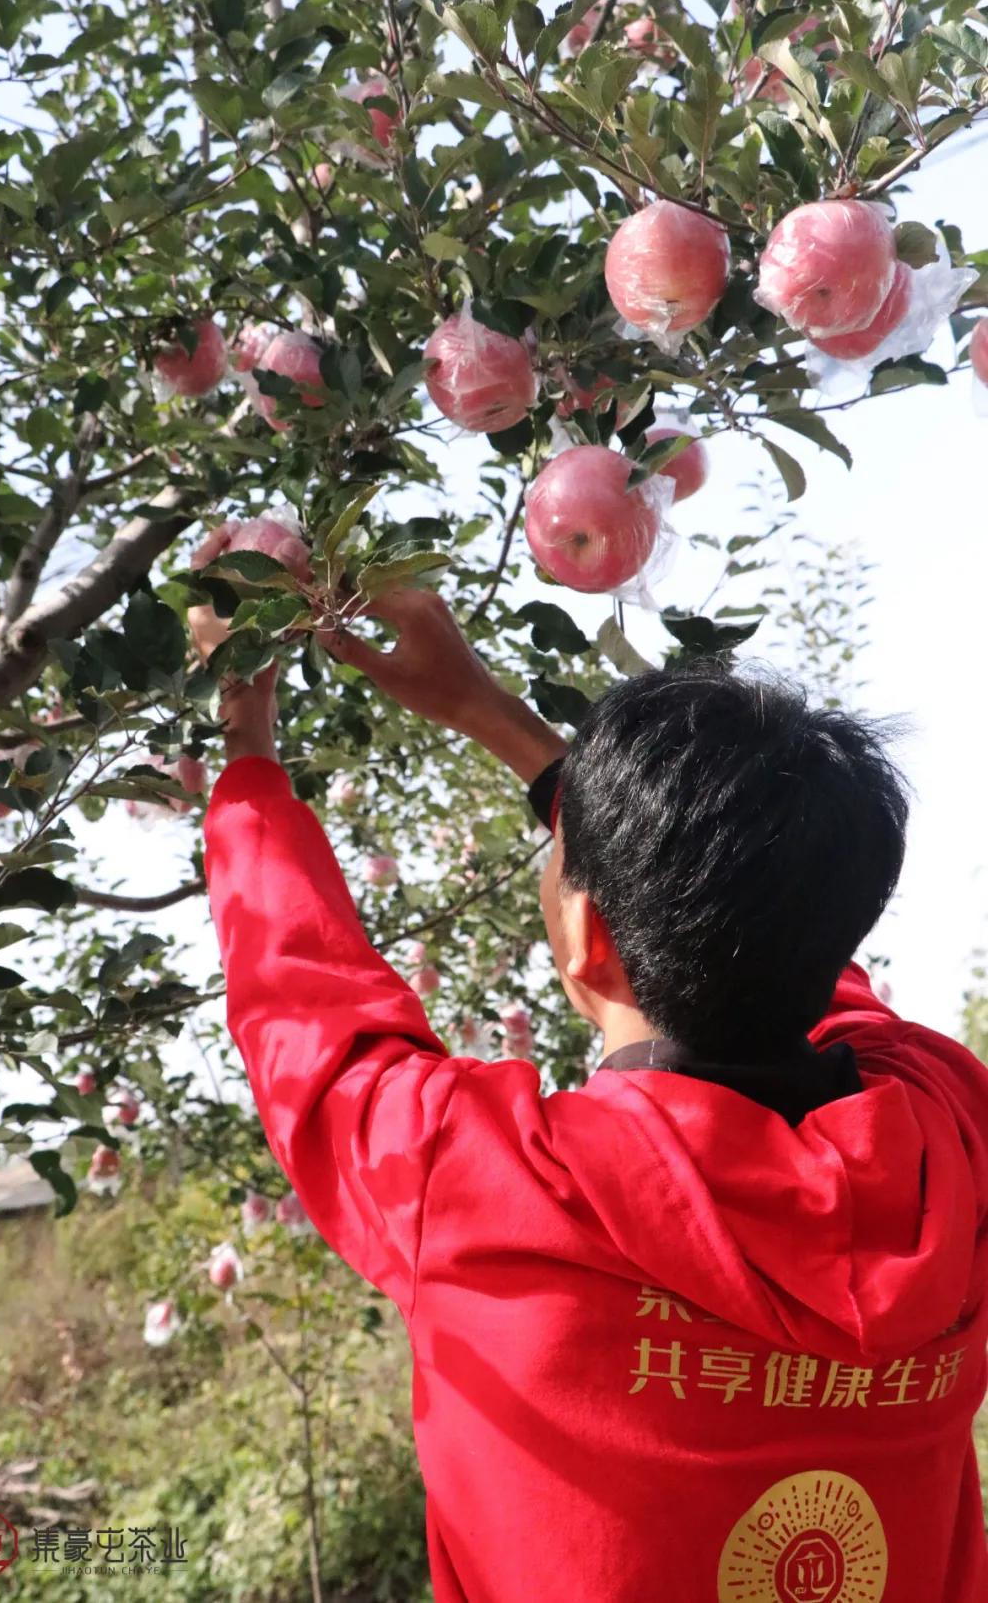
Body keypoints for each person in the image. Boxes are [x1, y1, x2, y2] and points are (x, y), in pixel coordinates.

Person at [192, 587, 988, 1603]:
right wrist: (492, 715)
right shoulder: (951, 1138)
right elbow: (793, 934)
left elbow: (303, 1003)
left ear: (587, 939)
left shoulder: (471, 1187)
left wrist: (246, 752)